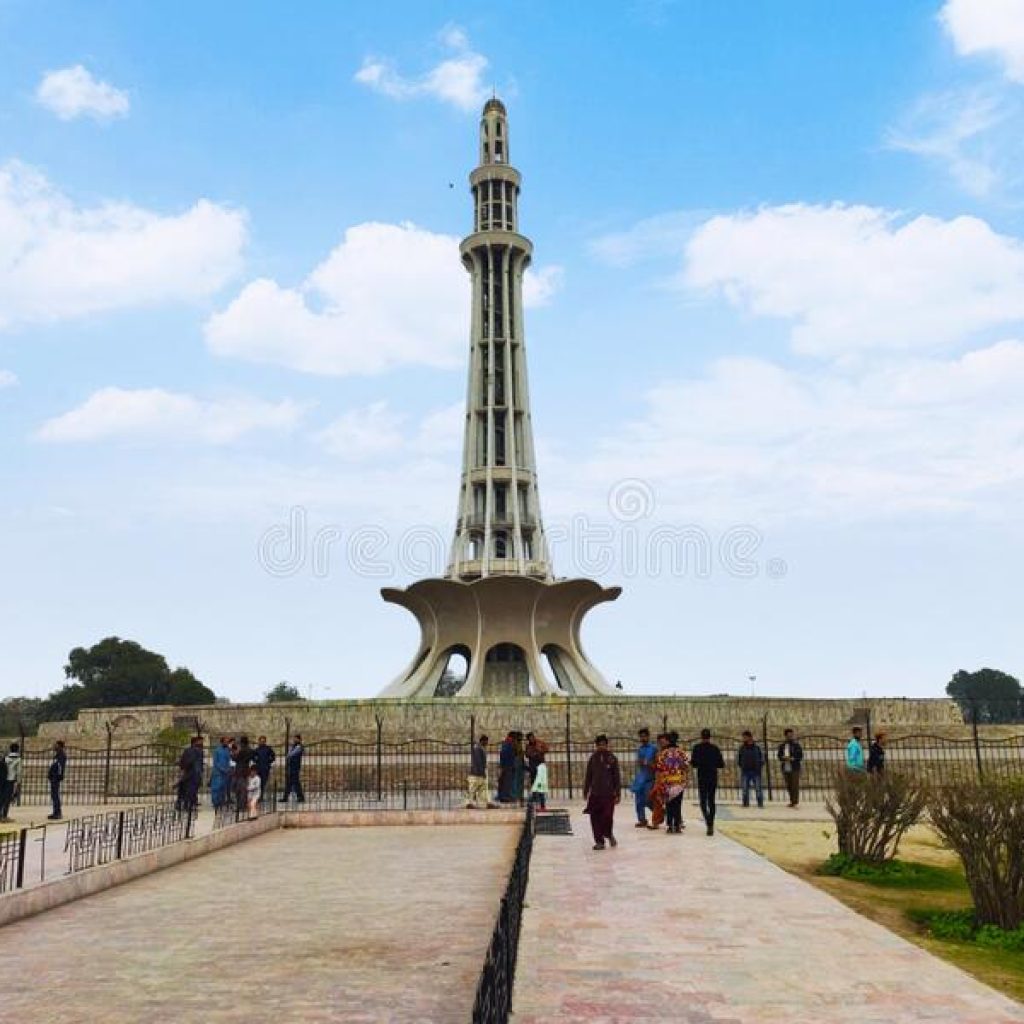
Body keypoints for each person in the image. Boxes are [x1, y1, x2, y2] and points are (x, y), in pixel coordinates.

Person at [583, 735, 621, 851]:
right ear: (596, 745)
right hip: (595, 794)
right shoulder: (593, 758)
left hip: (608, 794)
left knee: (607, 816)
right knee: (595, 818)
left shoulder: (612, 758)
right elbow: (588, 775)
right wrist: (586, 790)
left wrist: (618, 793)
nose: (601, 747)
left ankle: (608, 834)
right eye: (599, 745)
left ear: (606, 745)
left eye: (603, 744)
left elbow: (616, 777)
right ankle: (599, 841)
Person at [652, 731, 689, 834]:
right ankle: (677, 825)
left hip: (667, 783)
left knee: (669, 804)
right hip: (679, 783)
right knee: (677, 804)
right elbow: (686, 766)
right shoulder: (682, 752)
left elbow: (659, 768)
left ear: (668, 741)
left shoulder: (663, 754)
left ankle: (670, 825)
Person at [690, 728, 725, 835]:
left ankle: (708, 821)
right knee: (711, 801)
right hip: (712, 777)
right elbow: (721, 764)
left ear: (701, 736)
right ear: (710, 737)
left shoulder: (697, 748)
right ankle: (711, 823)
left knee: (703, 801)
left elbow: (694, 764)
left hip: (702, 777)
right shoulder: (715, 748)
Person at [630, 728, 658, 828]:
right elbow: (640, 763)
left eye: (644, 736)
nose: (643, 738)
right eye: (641, 736)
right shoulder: (640, 749)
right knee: (639, 800)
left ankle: (658, 815)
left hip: (650, 778)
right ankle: (642, 820)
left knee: (648, 799)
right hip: (641, 777)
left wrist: (649, 764)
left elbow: (657, 764)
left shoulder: (654, 748)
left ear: (648, 736)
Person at [777, 728, 804, 808]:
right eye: (788, 735)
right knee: (788, 785)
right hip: (786, 767)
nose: (790, 737)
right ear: (785, 736)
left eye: (791, 735)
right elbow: (779, 756)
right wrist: (783, 758)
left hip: (794, 767)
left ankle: (795, 801)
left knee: (794, 785)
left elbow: (800, 755)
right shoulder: (782, 746)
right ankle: (792, 800)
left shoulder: (796, 745)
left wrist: (793, 758)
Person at [737, 730, 764, 809]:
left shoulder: (757, 748)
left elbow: (762, 758)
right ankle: (745, 803)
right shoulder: (742, 748)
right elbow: (739, 759)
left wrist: (759, 766)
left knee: (758, 788)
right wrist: (742, 765)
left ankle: (760, 803)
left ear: (749, 737)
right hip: (745, 771)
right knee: (745, 789)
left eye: (745, 737)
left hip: (756, 771)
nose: (743, 739)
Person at [177, 736, 204, 814]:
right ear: (195, 742)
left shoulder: (199, 751)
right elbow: (185, 761)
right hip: (191, 773)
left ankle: (189, 804)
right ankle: (186, 805)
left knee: (193, 790)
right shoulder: (190, 751)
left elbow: (200, 763)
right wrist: (185, 768)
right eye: (200, 741)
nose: (201, 743)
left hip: (195, 774)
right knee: (188, 790)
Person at [467, 735, 493, 808]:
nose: (487, 743)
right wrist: (482, 772)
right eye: (486, 741)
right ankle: (470, 803)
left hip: (478, 772)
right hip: (477, 773)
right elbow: (478, 762)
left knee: (483, 788)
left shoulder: (479, 748)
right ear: (483, 741)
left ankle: (487, 802)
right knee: (474, 788)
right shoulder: (478, 748)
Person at [0, 742, 22, 822]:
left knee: (1, 798)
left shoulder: (5, 758)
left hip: (3, 780)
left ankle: (0, 815)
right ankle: (5, 816)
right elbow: (19, 772)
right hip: (11, 781)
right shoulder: (18, 759)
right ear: (17, 750)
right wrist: (19, 782)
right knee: (8, 799)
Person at [233, 735, 255, 809]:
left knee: (240, 789)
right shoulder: (250, 750)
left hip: (240, 770)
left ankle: (241, 805)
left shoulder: (242, 750)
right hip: (246, 770)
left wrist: (233, 754)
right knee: (245, 788)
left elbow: (236, 759)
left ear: (242, 743)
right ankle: (244, 804)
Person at [47, 740, 67, 820]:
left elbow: (60, 767)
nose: (54, 746)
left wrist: (57, 776)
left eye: (56, 745)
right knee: (54, 795)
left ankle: (58, 813)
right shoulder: (58, 755)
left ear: (59, 746)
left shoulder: (61, 755)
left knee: (55, 795)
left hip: (56, 777)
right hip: (54, 777)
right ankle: (55, 812)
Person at [210, 736, 232, 809]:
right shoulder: (217, 750)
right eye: (226, 741)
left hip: (226, 773)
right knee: (216, 788)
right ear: (222, 742)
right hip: (218, 772)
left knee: (223, 788)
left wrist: (228, 769)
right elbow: (215, 762)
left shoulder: (227, 750)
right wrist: (222, 769)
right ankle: (215, 802)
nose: (227, 743)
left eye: (227, 741)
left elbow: (228, 760)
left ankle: (221, 801)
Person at [283, 734, 305, 803]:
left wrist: (289, 754)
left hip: (295, 767)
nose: (294, 740)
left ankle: (300, 797)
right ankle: (286, 797)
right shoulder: (293, 746)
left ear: (299, 739)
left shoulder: (299, 747)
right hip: (291, 766)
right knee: (289, 782)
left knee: (295, 782)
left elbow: (291, 755)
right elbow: (289, 754)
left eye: (295, 739)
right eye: (294, 739)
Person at [254, 736, 276, 801]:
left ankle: (261, 796)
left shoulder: (268, 749)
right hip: (258, 768)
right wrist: (256, 760)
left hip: (265, 768)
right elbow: (253, 757)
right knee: (258, 783)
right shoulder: (257, 749)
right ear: (259, 741)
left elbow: (273, 756)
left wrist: (269, 761)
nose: (262, 742)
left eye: (263, 741)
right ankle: (258, 796)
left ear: (265, 742)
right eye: (261, 741)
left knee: (263, 783)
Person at [497, 733, 516, 804]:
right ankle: (504, 797)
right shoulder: (507, 744)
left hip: (508, 766)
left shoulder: (507, 744)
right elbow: (505, 755)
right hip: (507, 766)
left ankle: (504, 796)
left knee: (506, 782)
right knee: (506, 782)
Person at [511, 732, 527, 806]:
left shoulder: (520, 744)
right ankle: (516, 798)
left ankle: (520, 798)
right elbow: (515, 753)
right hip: (516, 763)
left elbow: (521, 755)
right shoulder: (514, 744)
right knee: (516, 782)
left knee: (520, 782)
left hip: (520, 763)